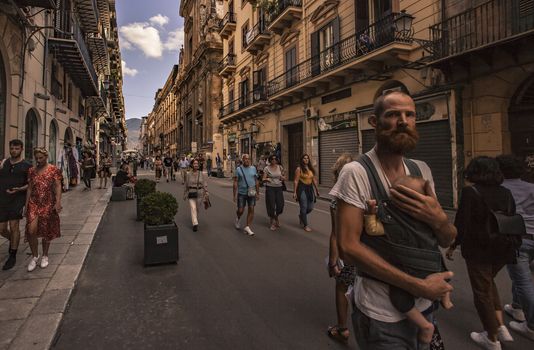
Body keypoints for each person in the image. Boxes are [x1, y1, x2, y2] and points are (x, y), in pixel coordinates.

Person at [330, 91, 456, 350]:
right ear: (374, 122)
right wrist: (419, 285)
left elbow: (446, 238)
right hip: (381, 315)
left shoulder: (421, 170)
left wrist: (440, 219)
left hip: (425, 307)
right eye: (393, 114)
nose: (403, 121)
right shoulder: (356, 173)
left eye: (410, 115)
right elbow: (349, 248)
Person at [365, 175, 453, 344]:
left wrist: (370, 213)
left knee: (399, 299)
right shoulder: (428, 220)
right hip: (432, 268)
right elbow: (445, 239)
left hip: (409, 272)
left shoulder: (393, 221)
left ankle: (425, 326)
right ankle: (446, 296)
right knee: (442, 268)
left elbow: (372, 229)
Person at [447, 156, 518, 349]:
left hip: (479, 250)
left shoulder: (471, 192)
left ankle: (492, 337)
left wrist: (453, 245)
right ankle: (500, 325)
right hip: (503, 248)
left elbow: (461, 223)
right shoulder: (505, 192)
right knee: (488, 282)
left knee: (482, 292)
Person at [496, 155, 534, 341]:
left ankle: (532, 325)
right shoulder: (531, 188)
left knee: (523, 281)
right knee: (521, 277)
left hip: (517, 239)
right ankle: (517, 307)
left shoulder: (500, 190)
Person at [326, 153, 357, 344]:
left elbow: (336, 234)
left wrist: (332, 261)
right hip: (368, 254)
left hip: (347, 254)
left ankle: (342, 327)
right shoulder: (365, 194)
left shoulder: (337, 200)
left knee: (341, 287)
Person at [25, 147, 63, 272]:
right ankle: (35, 256)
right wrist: (26, 205)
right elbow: (30, 188)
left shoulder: (53, 170)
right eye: (36, 158)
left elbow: (57, 186)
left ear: (46, 157)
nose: (38, 160)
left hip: (48, 202)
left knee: (46, 230)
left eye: (41, 158)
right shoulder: (31, 170)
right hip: (34, 203)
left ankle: (45, 255)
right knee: (31, 231)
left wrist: (58, 202)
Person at [0, 139, 32, 270]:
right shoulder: (4, 163)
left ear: (22, 149)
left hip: (17, 199)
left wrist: (19, 189)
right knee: (1, 229)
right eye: (12, 148)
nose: (14, 151)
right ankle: (14, 241)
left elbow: (30, 184)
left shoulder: (26, 166)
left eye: (17, 148)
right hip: (2, 199)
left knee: (14, 226)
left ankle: (12, 254)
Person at [233, 154, 259, 236]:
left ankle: (247, 227)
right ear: (242, 160)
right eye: (245, 159)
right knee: (241, 210)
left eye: (248, 159)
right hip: (242, 193)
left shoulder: (253, 168)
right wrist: (234, 195)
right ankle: (238, 218)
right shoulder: (238, 169)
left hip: (251, 192)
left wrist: (257, 193)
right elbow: (235, 182)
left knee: (251, 209)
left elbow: (256, 181)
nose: (247, 160)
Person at [293, 154, 319, 232]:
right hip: (302, 189)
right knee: (303, 207)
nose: (306, 159)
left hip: (310, 189)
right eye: (304, 158)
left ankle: (301, 215)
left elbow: (314, 180)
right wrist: (294, 192)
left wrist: (317, 190)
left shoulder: (311, 168)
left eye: (307, 158)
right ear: (302, 160)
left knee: (310, 207)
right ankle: (305, 225)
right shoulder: (299, 169)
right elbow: (296, 181)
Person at [183, 159, 208, 232]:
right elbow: (186, 184)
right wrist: (185, 193)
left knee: (197, 209)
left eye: (197, 163)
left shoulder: (201, 174)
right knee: (193, 208)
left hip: (200, 193)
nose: (196, 165)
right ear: (192, 165)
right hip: (191, 192)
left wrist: (206, 192)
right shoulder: (188, 174)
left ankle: (195, 219)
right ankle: (195, 223)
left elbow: (204, 184)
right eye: (194, 163)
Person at [262, 155, 285, 230]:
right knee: (271, 205)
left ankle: (276, 216)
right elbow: (263, 178)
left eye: (275, 159)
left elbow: (283, 177)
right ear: (270, 160)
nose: (274, 160)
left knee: (280, 205)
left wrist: (283, 178)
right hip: (270, 188)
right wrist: (267, 179)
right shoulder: (266, 168)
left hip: (279, 188)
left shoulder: (280, 167)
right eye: (272, 159)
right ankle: (272, 222)